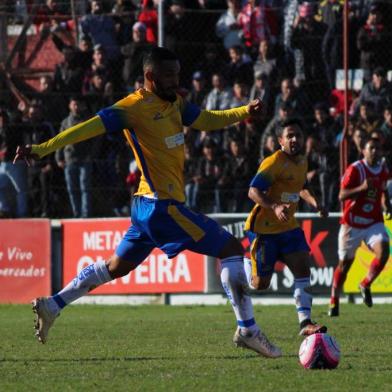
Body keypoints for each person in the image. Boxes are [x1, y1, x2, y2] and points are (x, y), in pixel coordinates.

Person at [14, 47, 281, 358]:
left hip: (147, 205)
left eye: (178, 75)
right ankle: (247, 329)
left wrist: (243, 111)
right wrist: (44, 148)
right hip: (161, 206)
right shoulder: (133, 107)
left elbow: (207, 119)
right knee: (231, 249)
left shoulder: (175, 103)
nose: (176, 82)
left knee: (115, 267)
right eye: (169, 77)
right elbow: (85, 128)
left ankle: (52, 304)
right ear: (150, 77)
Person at [243, 118, 328, 336]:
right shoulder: (274, 162)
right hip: (264, 230)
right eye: (289, 136)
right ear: (280, 140)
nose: (294, 139)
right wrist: (274, 206)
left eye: (298, 135)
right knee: (260, 284)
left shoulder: (302, 161)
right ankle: (244, 266)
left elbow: (302, 187)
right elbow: (253, 191)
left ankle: (305, 323)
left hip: (289, 228)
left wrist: (315, 203)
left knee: (303, 271)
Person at [328, 137, 391, 317]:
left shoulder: (383, 170)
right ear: (363, 150)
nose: (375, 152)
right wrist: (362, 187)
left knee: (384, 251)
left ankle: (365, 283)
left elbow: (384, 189)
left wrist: (387, 204)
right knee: (344, 265)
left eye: (378, 149)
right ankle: (334, 300)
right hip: (352, 223)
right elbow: (342, 195)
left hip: (373, 222)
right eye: (371, 148)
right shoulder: (356, 169)